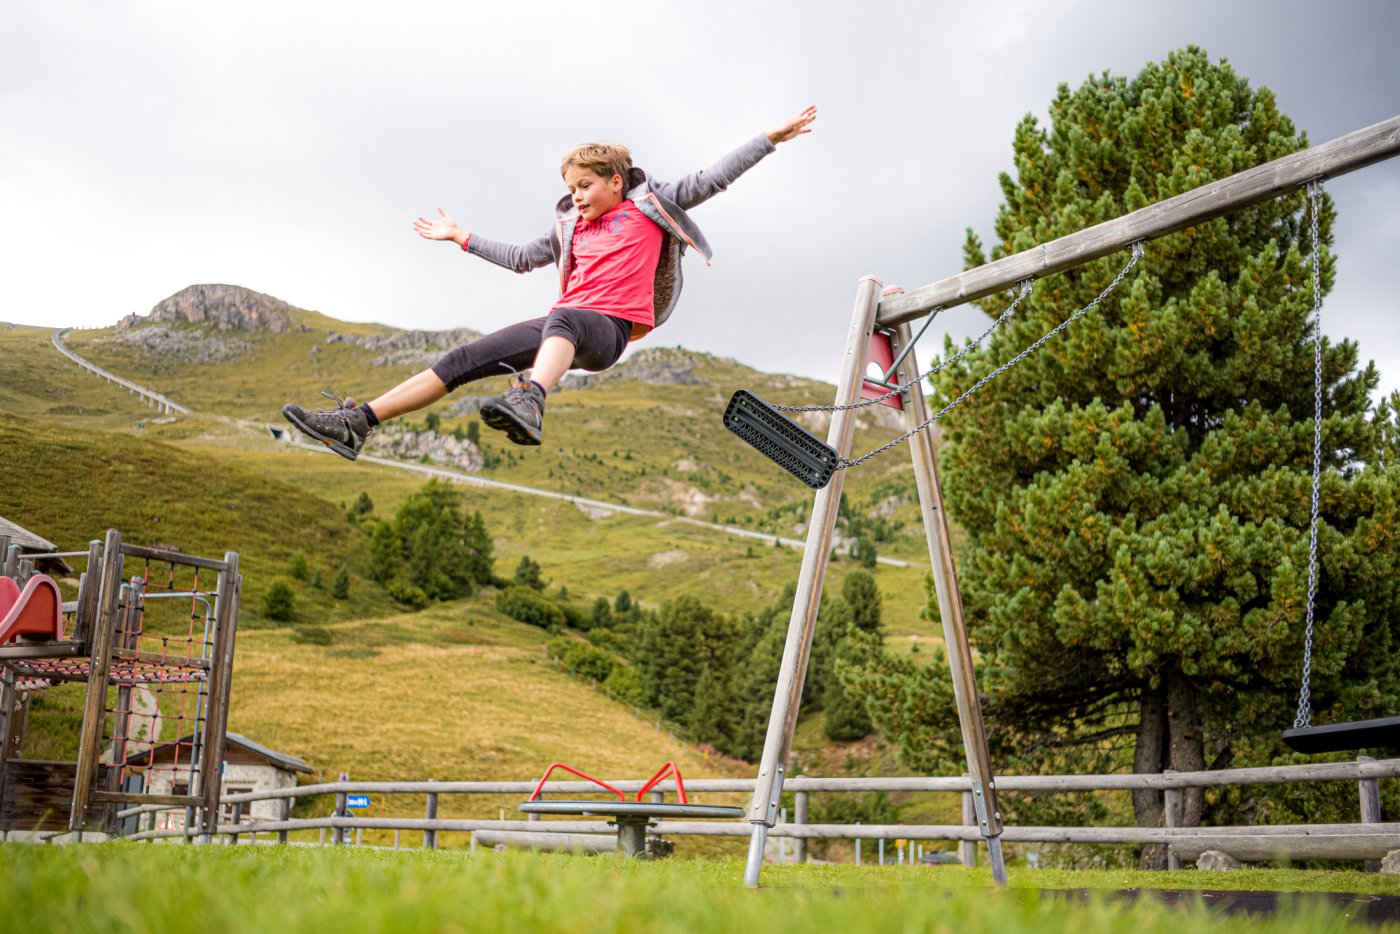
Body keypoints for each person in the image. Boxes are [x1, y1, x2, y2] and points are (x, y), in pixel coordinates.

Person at [282, 105, 818, 460]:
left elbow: (712, 178)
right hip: (564, 329)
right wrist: (459, 235)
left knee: (563, 315)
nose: (577, 196)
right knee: (463, 359)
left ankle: (532, 398)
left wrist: (767, 139)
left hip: (607, 332)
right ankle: (358, 423)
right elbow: (520, 257)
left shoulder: (651, 207)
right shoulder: (567, 227)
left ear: (615, 181)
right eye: (570, 188)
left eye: (585, 186)